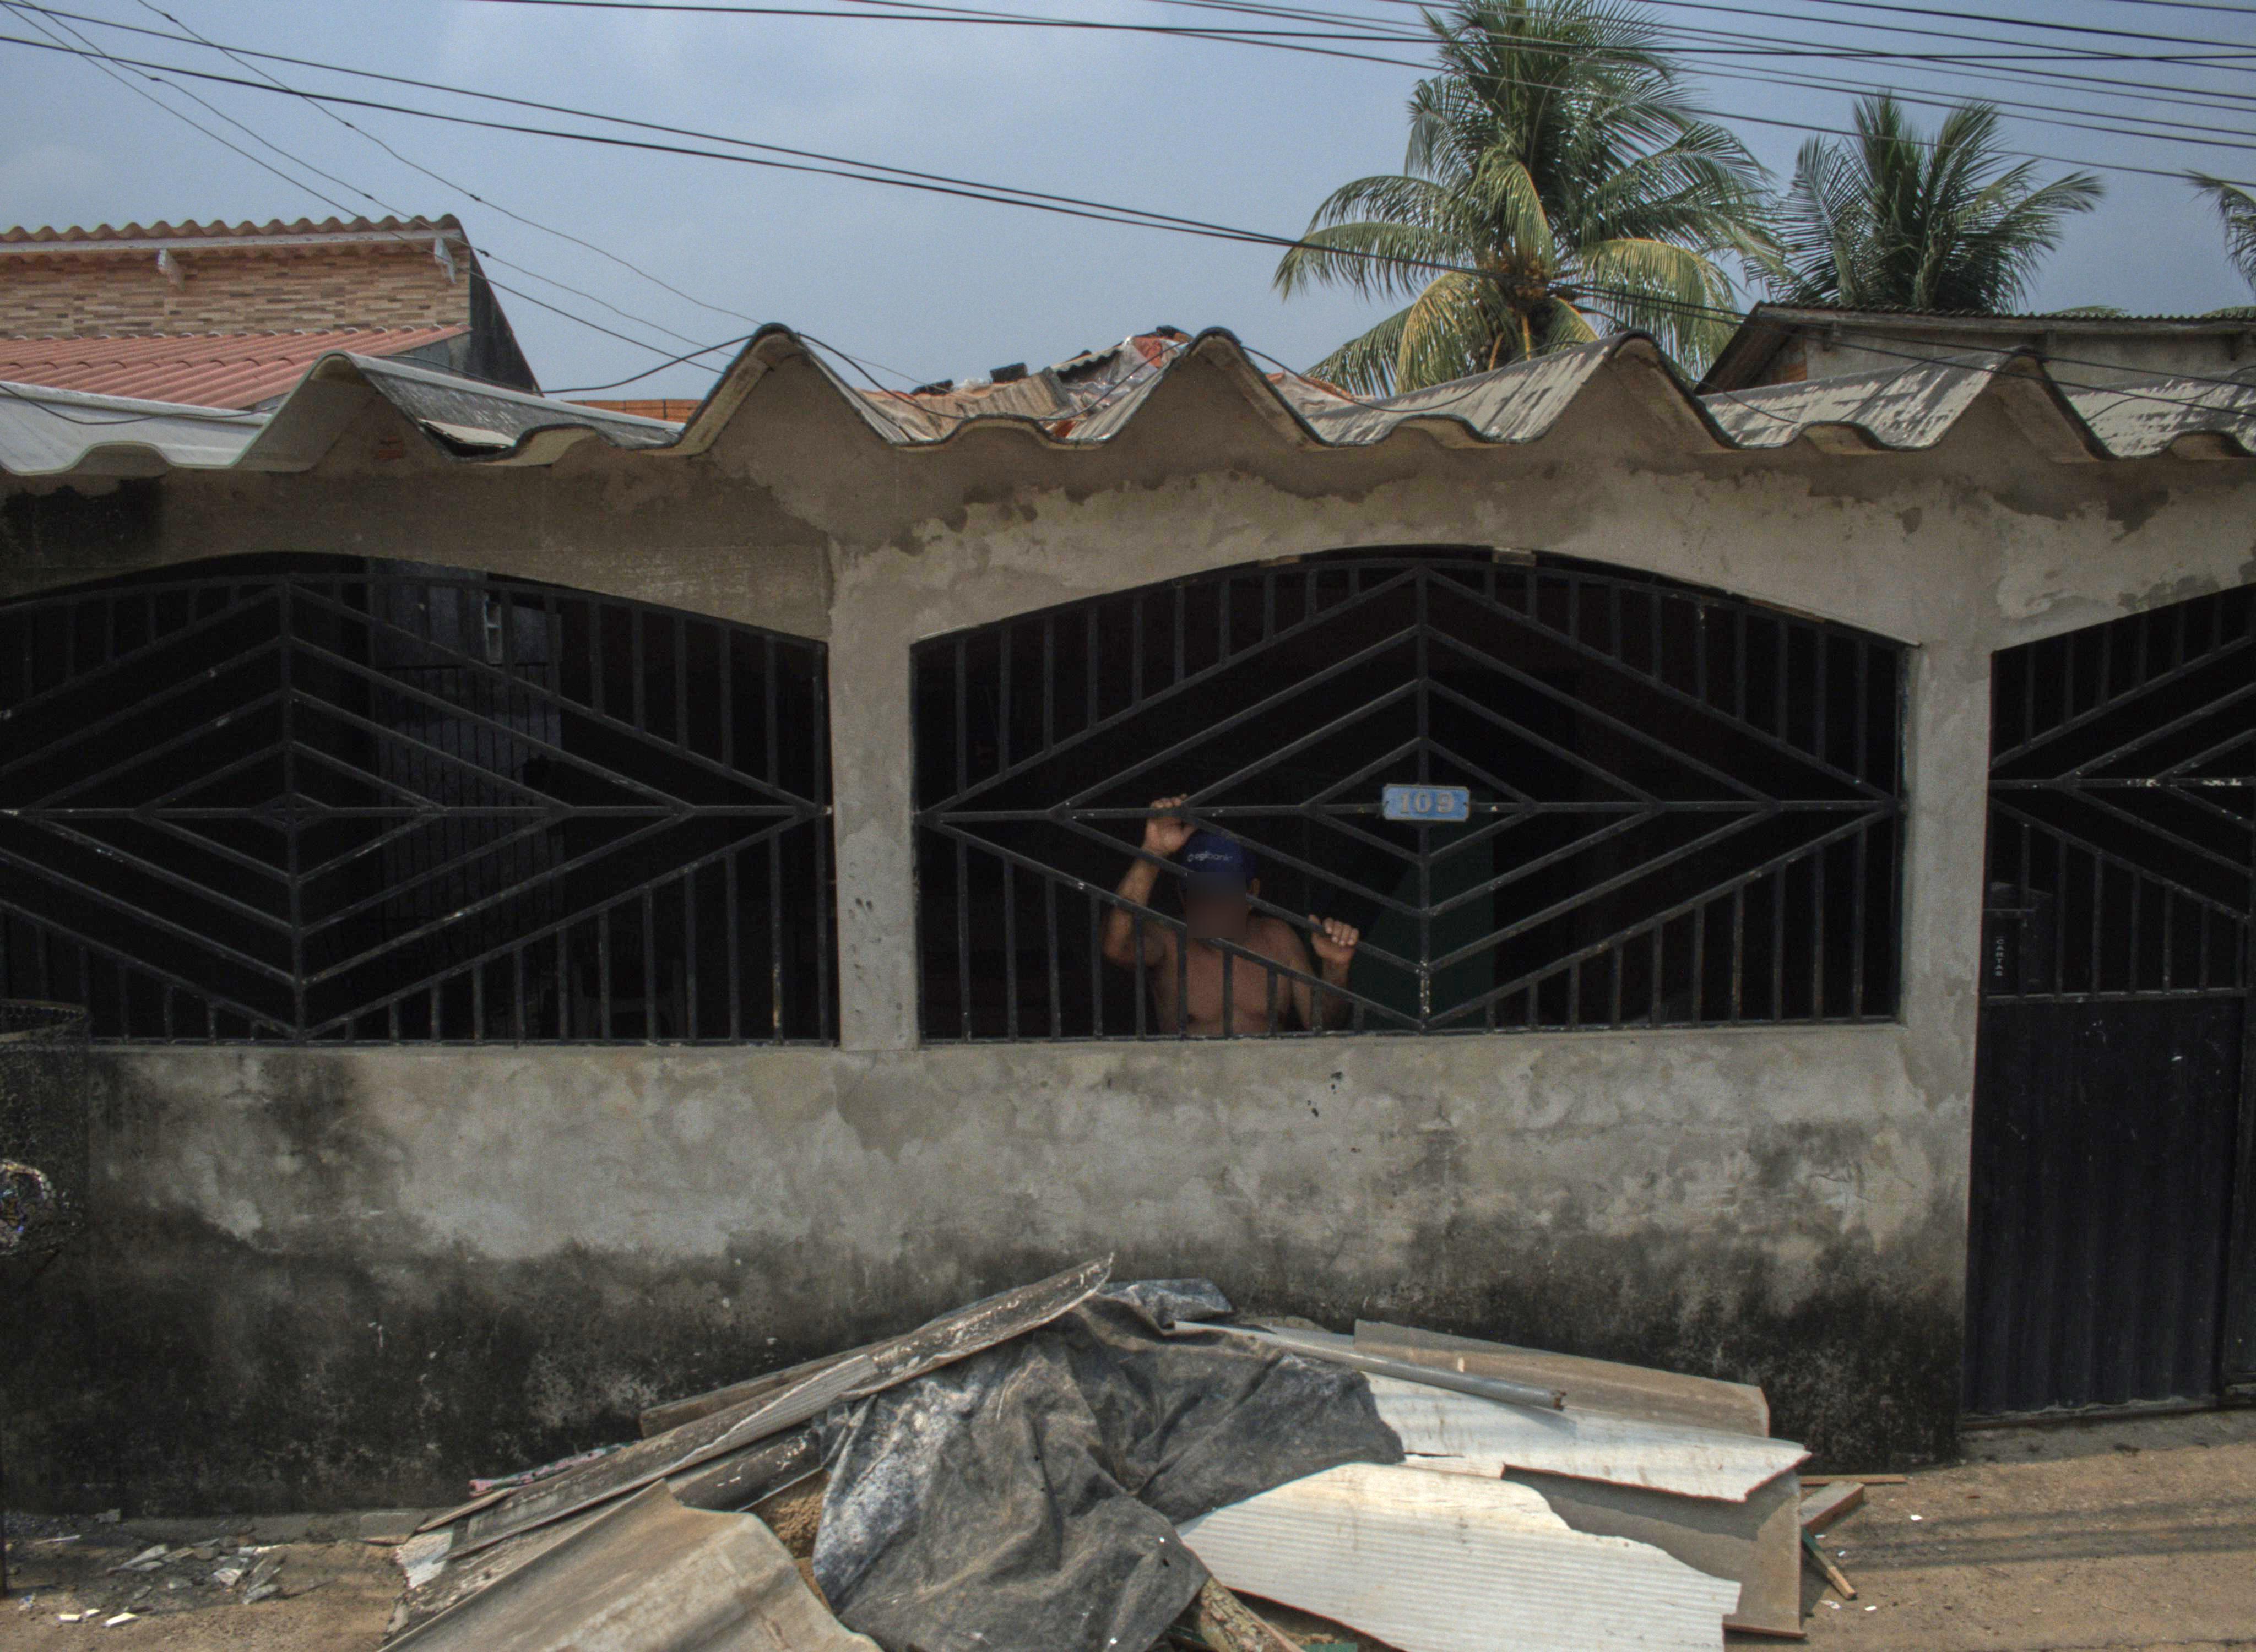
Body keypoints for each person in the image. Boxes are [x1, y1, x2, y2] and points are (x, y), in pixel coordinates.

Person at [1100, 795, 1361, 1035]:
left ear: (1252, 893)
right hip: (1189, 1072)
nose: (1210, 905)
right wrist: (1153, 852)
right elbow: (1116, 945)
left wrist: (1335, 968)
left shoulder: (1277, 938)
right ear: (1182, 896)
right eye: (1199, 893)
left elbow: (1325, 1024)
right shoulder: (1169, 940)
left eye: (1223, 893)